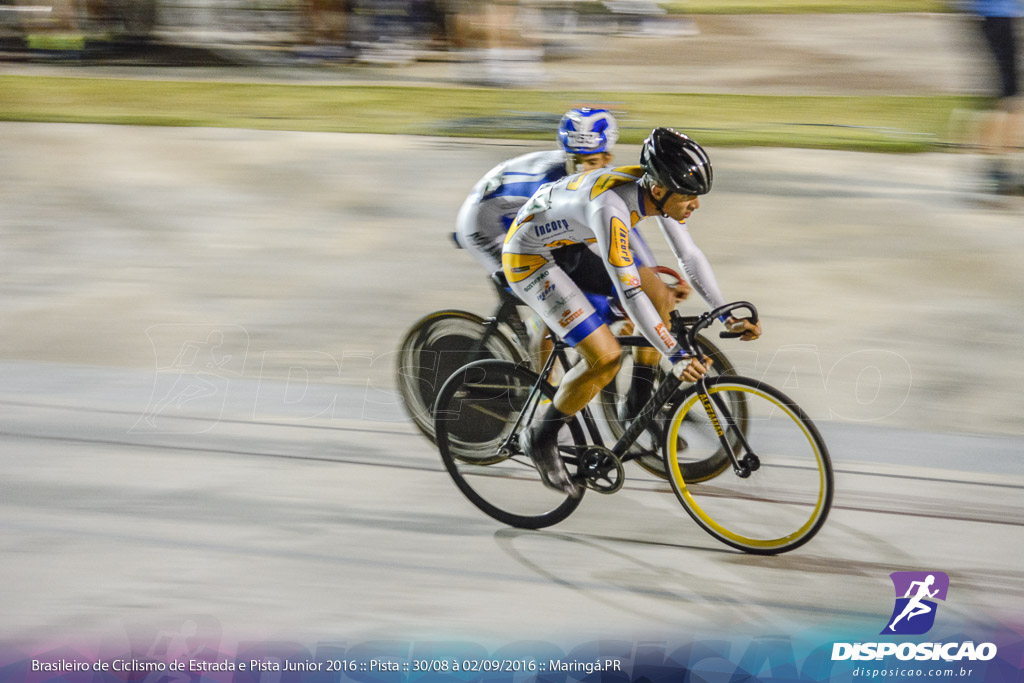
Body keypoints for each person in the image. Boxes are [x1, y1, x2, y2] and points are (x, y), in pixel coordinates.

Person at [502, 127, 762, 495]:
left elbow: (688, 256)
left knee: (662, 294)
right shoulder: (611, 208)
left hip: (567, 247)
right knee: (605, 358)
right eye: (690, 196)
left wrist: (725, 315)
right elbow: (629, 292)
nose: (696, 204)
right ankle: (540, 437)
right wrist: (674, 353)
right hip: (529, 259)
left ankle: (637, 401)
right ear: (659, 190)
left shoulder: (655, 189)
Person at [455, 107, 622, 275]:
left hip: (517, 212)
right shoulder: (552, 183)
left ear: (607, 159)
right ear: (566, 155)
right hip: (484, 222)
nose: (582, 170)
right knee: (542, 282)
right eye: (574, 159)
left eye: (592, 161)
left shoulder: (601, 175)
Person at [970, 0, 1023, 194]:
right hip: (999, 17)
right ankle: (996, 169)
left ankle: (997, 167)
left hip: (998, 16)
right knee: (1010, 96)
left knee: (1009, 95)